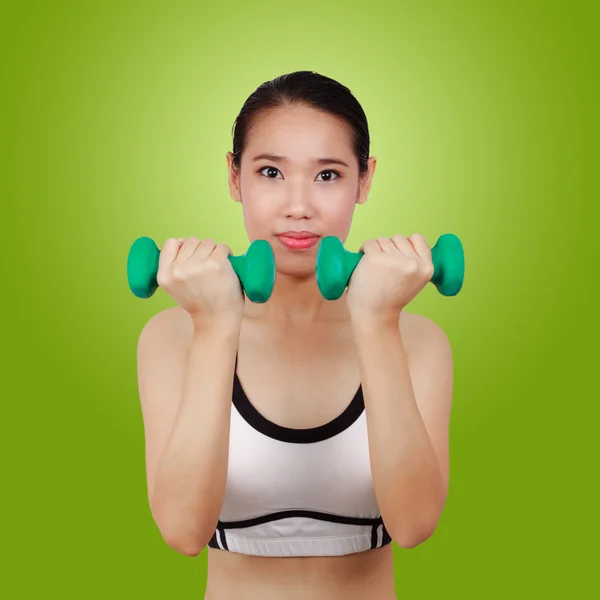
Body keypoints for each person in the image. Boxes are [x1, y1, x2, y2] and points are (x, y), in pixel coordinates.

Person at [136, 71, 454, 600]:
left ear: (365, 179)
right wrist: (216, 324)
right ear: (235, 177)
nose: (298, 205)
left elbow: (415, 525)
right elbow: (183, 531)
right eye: (270, 172)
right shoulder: (174, 335)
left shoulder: (418, 340)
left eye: (328, 175)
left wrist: (376, 321)